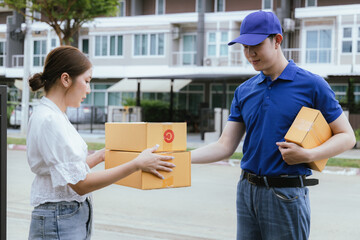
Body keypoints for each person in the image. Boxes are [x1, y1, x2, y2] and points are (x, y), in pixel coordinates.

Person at [191, 10, 356, 240]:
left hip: (286, 194)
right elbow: (224, 146)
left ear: (277, 40)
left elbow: (347, 136)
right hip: (246, 191)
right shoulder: (244, 91)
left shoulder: (312, 85)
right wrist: (182, 157)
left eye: (255, 45)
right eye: (244, 47)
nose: (250, 54)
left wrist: (308, 154)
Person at [26, 46, 175, 240]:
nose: (88, 89)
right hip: (60, 218)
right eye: (87, 81)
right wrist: (137, 164)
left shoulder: (54, 115)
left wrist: (101, 156)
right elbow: (80, 184)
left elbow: (67, 171)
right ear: (65, 79)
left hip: (65, 216)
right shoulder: (50, 120)